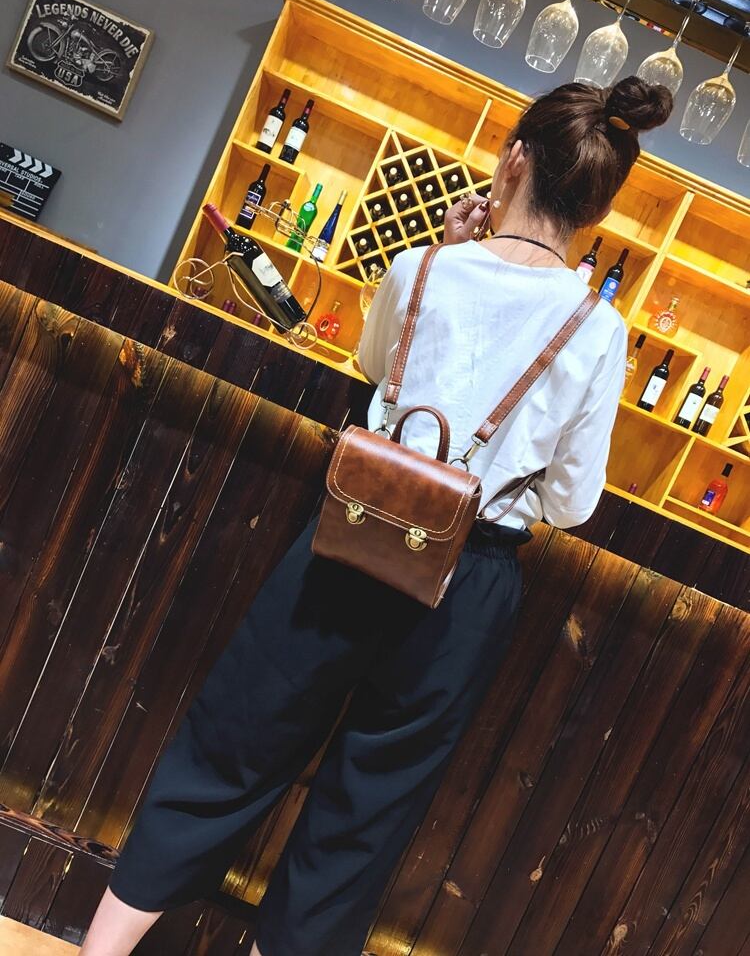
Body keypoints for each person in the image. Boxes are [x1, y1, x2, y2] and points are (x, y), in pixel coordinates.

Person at [80, 75, 672, 956]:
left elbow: (371, 365)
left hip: (354, 531)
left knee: (231, 749)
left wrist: (445, 253)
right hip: (469, 580)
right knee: (364, 815)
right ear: (600, 206)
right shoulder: (598, 329)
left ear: (514, 159)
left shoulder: (422, 268)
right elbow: (571, 504)